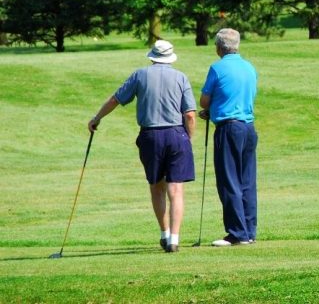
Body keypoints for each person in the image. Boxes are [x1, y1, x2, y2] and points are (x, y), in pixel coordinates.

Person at [88, 40, 196, 253]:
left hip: (150, 136)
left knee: (157, 186)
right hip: (176, 134)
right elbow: (190, 115)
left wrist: (97, 118)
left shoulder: (140, 75)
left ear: (152, 56)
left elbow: (115, 99)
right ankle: (174, 238)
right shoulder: (181, 77)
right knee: (176, 189)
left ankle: (164, 233)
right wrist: (188, 138)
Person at [199, 28, 259, 247]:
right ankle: (249, 231)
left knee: (229, 181)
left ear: (218, 47)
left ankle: (236, 233)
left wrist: (211, 109)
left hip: (228, 128)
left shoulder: (217, 68)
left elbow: (204, 101)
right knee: (247, 181)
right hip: (248, 127)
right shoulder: (249, 67)